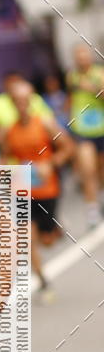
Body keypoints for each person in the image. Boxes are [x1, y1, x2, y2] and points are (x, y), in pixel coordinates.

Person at [3, 80, 75, 301]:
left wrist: (50, 164)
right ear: (13, 104)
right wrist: (6, 176)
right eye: (17, 101)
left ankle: (56, 228)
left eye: (25, 100)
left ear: (31, 101)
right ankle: (44, 282)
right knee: (25, 238)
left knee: (47, 240)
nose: (22, 104)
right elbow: (6, 157)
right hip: (23, 189)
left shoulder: (45, 123)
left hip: (48, 189)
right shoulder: (10, 131)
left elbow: (68, 148)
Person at [66, 43, 104, 229]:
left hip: (101, 129)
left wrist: (92, 87)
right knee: (88, 170)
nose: (82, 60)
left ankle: (101, 198)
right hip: (83, 132)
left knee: (101, 172)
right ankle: (92, 209)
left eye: (84, 56)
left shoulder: (99, 74)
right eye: (78, 56)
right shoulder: (71, 77)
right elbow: (71, 99)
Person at [0, 71, 53, 143]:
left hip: (40, 137)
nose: (14, 85)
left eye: (17, 81)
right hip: (12, 141)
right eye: (11, 82)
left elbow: (48, 119)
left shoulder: (35, 98)